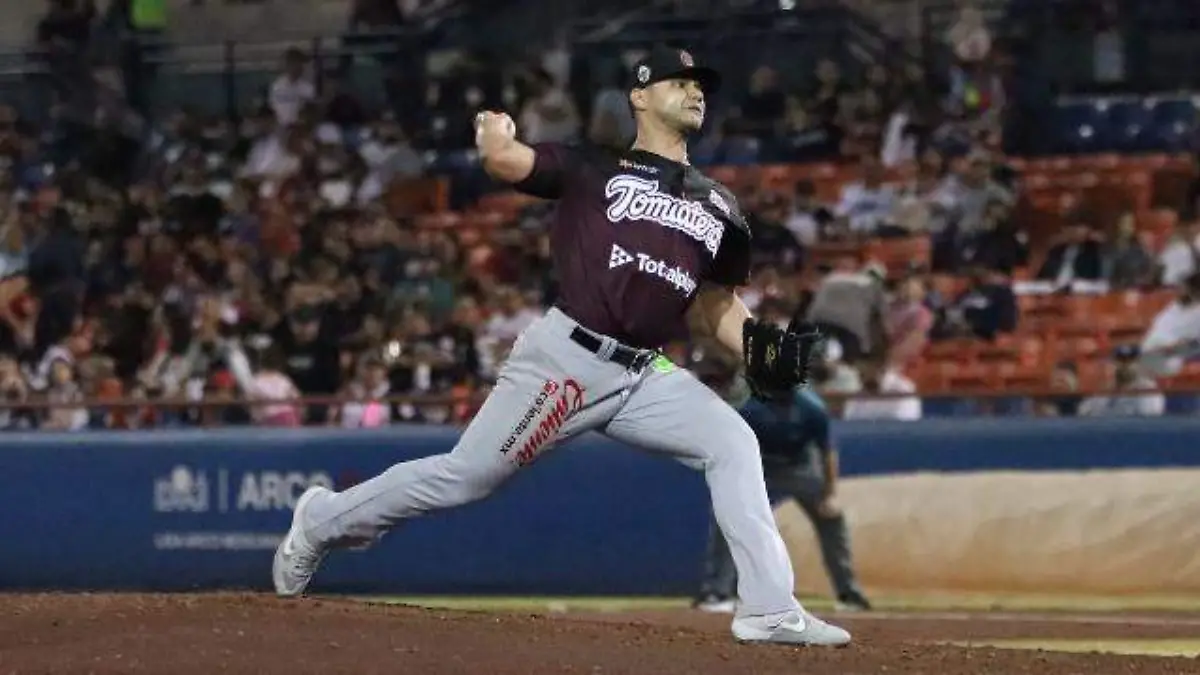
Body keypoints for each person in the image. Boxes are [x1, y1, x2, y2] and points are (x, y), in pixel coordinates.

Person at [271, 45, 850, 647]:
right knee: (464, 478)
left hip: (644, 374)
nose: (694, 91)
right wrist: (494, 133)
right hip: (568, 360)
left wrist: (756, 344)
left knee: (733, 441)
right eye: (677, 81)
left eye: (698, 84)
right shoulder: (594, 166)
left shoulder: (721, 206)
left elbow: (713, 306)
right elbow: (507, 161)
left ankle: (767, 607)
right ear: (639, 96)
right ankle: (321, 519)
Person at [691, 354, 871, 614]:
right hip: (760, 466)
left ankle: (849, 593)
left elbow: (827, 452)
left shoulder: (811, 407)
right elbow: (733, 446)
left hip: (800, 467)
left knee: (832, 518)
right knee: (728, 517)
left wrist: (830, 494)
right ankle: (717, 592)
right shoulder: (751, 408)